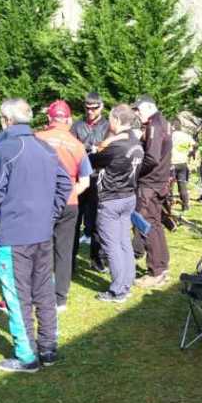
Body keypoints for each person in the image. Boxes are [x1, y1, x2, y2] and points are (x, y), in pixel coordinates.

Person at [0, 98, 72, 373]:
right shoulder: (45, 147)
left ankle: (27, 356)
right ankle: (48, 348)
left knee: (18, 295)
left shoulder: (4, 149)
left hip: (15, 234)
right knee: (44, 292)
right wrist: (50, 213)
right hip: (42, 232)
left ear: (5, 120)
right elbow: (64, 182)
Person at [36, 100, 92, 312]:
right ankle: (60, 298)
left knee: (40, 248)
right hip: (69, 203)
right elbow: (85, 182)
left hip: (41, 202)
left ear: (49, 118)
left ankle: (40, 292)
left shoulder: (37, 138)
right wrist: (68, 193)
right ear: (68, 120)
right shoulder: (77, 145)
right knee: (64, 251)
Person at [91, 104, 144, 302]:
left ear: (117, 120)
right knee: (124, 242)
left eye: (111, 119)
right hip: (129, 196)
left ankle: (118, 290)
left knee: (112, 244)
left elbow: (93, 160)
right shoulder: (135, 142)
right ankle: (126, 283)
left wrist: (95, 149)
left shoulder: (117, 146)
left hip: (112, 199)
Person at [132, 95, 172, 288]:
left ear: (148, 107)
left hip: (150, 183)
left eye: (138, 110)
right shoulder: (164, 122)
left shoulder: (154, 125)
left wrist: (135, 171)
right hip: (159, 182)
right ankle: (162, 265)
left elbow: (152, 158)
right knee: (155, 224)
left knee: (146, 225)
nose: (136, 114)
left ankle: (155, 271)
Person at [71, 92, 109, 272]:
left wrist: (96, 149)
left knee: (97, 223)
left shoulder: (108, 126)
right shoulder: (77, 126)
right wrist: (89, 147)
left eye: (94, 108)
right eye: (87, 108)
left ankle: (97, 259)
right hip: (79, 178)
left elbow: (109, 150)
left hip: (98, 178)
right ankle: (69, 260)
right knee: (73, 221)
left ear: (101, 107)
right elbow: (72, 148)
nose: (90, 111)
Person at [170, 118, 195, 211]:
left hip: (172, 163)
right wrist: (190, 153)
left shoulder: (172, 135)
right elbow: (195, 145)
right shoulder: (187, 136)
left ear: (173, 126)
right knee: (182, 185)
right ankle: (185, 205)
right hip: (183, 163)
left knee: (170, 185)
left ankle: (168, 204)